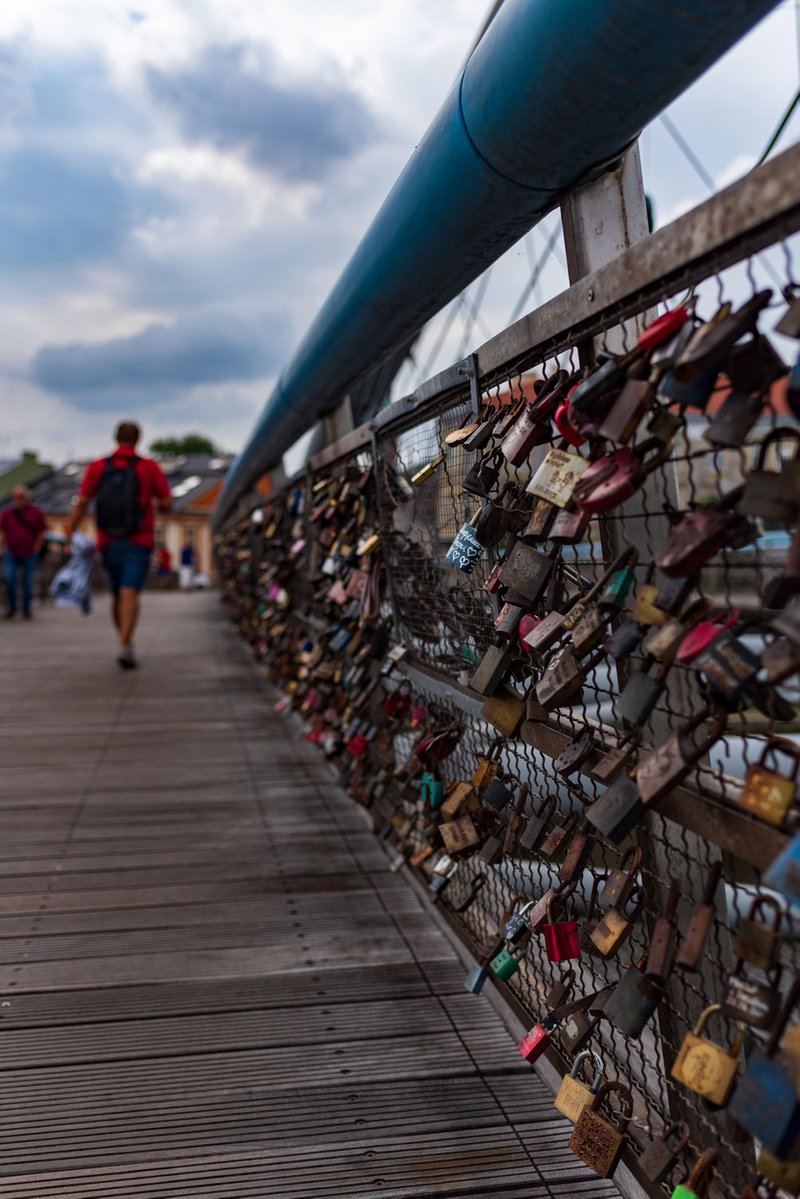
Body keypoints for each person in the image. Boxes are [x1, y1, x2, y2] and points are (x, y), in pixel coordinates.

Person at [66, 421, 172, 669]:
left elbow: (82, 501)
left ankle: (124, 640)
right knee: (130, 591)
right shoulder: (148, 467)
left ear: (115, 438)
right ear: (138, 439)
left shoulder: (99, 467)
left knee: (116, 593)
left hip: (108, 540)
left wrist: (70, 529)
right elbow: (167, 502)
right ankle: (125, 643)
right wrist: (156, 506)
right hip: (139, 539)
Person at [0, 485, 47, 619]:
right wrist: (5, 545)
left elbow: (41, 531)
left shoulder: (36, 512)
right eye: (17, 497)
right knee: (10, 578)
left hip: (29, 553)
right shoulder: (7, 513)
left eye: (22, 497)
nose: (19, 500)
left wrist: (37, 546)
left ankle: (26, 610)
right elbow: (2, 530)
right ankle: (12, 608)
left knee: (28, 582)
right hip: (11, 552)